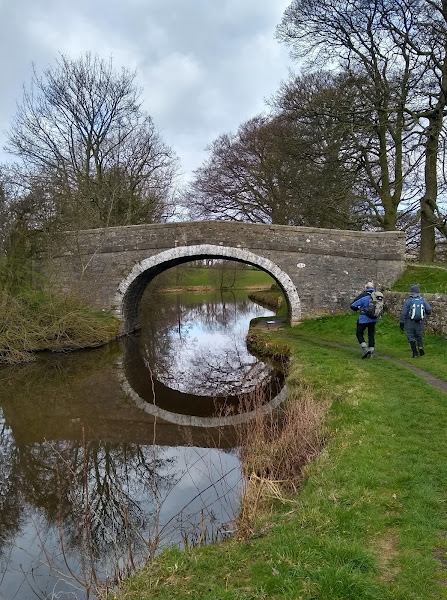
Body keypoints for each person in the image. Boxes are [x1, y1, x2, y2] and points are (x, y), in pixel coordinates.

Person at [399, 285, 432, 358]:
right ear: (418, 291)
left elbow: (404, 313)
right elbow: (429, 310)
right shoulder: (422, 300)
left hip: (410, 321)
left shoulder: (408, 301)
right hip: (420, 322)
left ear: (411, 292)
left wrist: (402, 322)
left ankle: (415, 353)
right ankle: (420, 348)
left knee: (411, 336)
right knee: (419, 334)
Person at [350, 282, 380, 358]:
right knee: (371, 334)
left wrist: (358, 307)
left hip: (364, 318)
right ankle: (371, 352)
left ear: (366, 288)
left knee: (359, 332)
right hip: (374, 318)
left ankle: (365, 348)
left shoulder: (363, 295)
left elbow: (353, 306)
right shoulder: (377, 296)